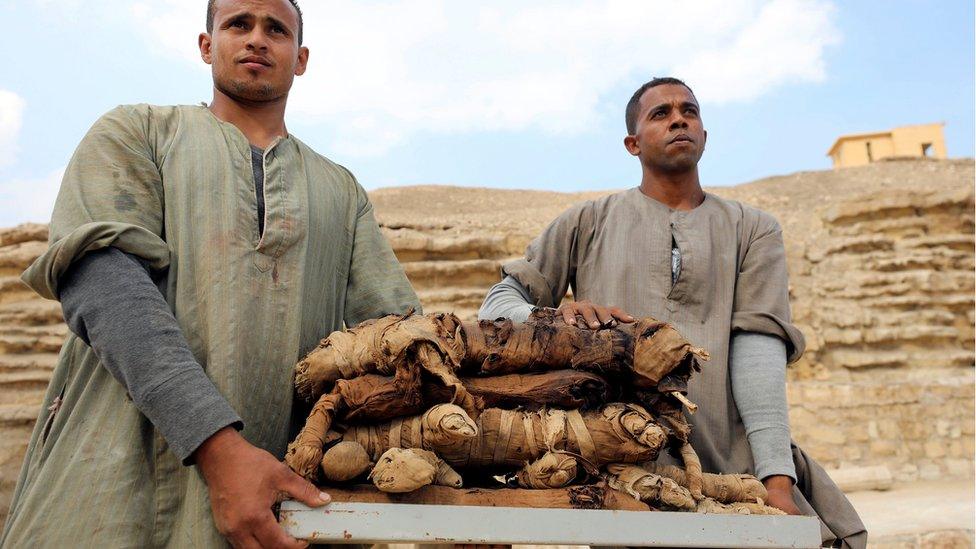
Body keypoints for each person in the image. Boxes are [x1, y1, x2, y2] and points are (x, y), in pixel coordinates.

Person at [0, 1, 419, 547]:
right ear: (206, 45)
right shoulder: (138, 132)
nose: (256, 39)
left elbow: (393, 333)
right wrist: (220, 452)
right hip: (113, 489)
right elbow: (102, 283)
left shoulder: (340, 191)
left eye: (276, 29)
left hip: (279, 507)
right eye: (238, 24)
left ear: (301, 59)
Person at [478, 77, 867, 548]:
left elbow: (758, 353)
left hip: (731, 469)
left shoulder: (753, 230)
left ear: (704, 135)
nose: (679, 118)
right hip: (622, 472)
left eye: (690, 111)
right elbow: (498, 307)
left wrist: (777, 482)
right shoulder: (586, 222)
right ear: (633, 143)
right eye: (660, 113)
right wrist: (556, 321)